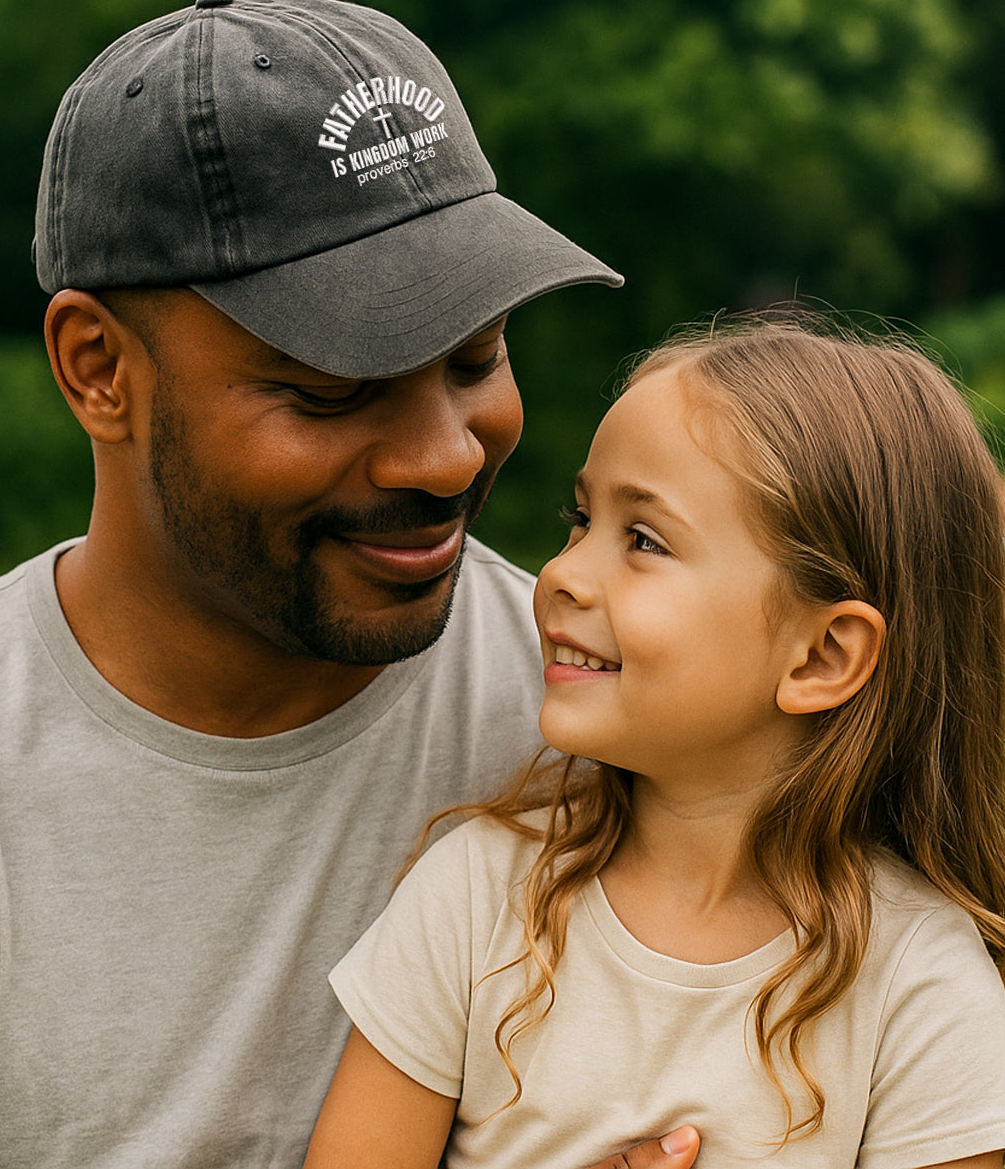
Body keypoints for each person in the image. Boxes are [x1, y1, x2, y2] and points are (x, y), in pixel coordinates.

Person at [0, 0, 700, 1169]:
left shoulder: (624, 728)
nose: (444, 454)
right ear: (97, 370)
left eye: (478, 354)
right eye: (331, 388)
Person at [305, 315, 1005, 1169]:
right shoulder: (475, 897)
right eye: (579, 518)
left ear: (822, 656)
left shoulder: (921, 989)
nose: (561, 573)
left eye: (643, 540)